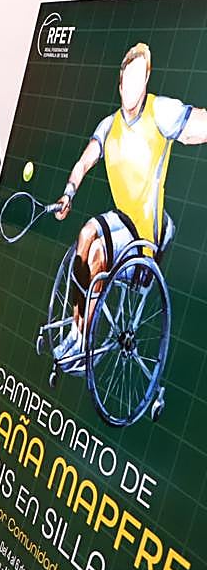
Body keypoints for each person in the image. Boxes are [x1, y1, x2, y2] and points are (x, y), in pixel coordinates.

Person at [51, 42, 207, 367]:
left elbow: (198, 126)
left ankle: (86, 342)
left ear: (146, 83)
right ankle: (78, 327)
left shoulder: (160, 112)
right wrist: (68, 194)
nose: (133, 86)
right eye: (128, 79)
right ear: (120, 84)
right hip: (122, 223)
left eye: (140, 79)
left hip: (146, 237)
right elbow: (83, 164)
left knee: (95, 255)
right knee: (84, 236)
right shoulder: (109, 127)